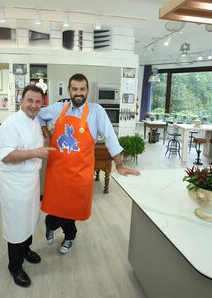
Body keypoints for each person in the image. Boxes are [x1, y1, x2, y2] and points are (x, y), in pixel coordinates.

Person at [38, 73, 140, 254]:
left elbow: (110, 137)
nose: (78, 93)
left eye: (82, 89)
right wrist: (47, 134)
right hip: (58, 170)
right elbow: (38, 115)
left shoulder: (96, 111)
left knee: (73, 208)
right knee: (57, 205)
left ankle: (68, 234)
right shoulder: (58, 108)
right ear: (69, 90)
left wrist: (119, 164)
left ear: (87, 91)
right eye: (75, 89)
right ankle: (55, 226)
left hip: (80, 171)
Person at [0, 85, 55, 287]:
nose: (33, 105)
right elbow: (6, 156)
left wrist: (47, 136)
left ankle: (25, 249)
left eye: (38, 102)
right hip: (14, 183)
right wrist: (37, 153)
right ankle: (14, 266)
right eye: (30, 100)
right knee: (16, 224)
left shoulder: (34, 121)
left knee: (30, 218)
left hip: (31, 181)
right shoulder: (10, 124)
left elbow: (40, 143)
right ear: (21, 101)